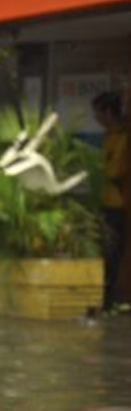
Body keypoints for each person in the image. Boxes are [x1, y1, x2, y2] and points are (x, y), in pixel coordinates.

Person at [92, 90, 131, 309]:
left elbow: (115, 170)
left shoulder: (123, 138)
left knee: (113, 253)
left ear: (108, 112)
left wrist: (100, 170)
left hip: (117, 204)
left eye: (98, 113)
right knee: (106, 251)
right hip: (105, 201)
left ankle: (111, 297)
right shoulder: (110, 136)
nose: (96, 119)